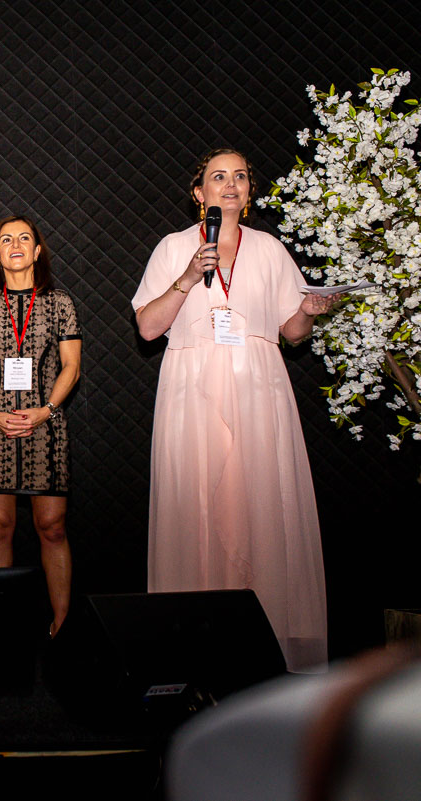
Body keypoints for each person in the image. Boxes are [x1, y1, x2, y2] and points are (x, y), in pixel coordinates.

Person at [132, 149, 339, 672]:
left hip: (258, 391)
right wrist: (185, 278)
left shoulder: (270, 249)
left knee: (262, 506)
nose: (230, 184)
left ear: (248, 193)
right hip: (192, 392)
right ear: (199, 193)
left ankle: (269, 646)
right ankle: (194, 648)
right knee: (196, 506)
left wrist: (310, 312)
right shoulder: (175, 246)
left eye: (240, 177)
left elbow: (292, 332)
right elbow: (149, 328)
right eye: (218, 177)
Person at [0, 215, 81, 637]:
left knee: (52, 526)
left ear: (36, 251)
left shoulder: (60, 303)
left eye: (24, 238)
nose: (15, 244)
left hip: (46, 426)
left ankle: (63, 622)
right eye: (5, 240)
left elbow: (72, 366)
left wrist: (45, 410)